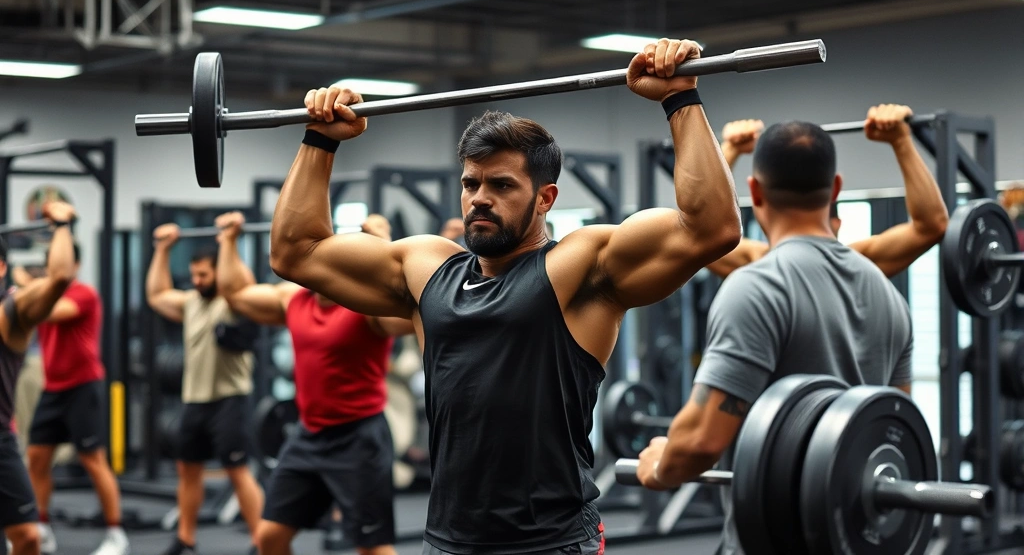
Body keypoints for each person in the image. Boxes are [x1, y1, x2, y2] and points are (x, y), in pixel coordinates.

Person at [269, 38, 741, 554]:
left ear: (545, 197)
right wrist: (320, 139)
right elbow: (296, 251)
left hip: (550, 543)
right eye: (471, 184)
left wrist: (679, 99)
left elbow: (710, 229)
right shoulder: (427, 268)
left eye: (501, 185)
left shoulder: (577, 267)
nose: (480, 199)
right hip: (448, 542)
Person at [633, 121, 914, 555]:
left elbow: (702, 442)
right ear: (835, 187)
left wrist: (658, 466)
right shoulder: (889, 297)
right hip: (854, 536)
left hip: (774, 537)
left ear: (755, 192)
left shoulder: (757, 286)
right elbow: (892, 425)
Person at [213, 211, 413, 555]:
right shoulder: (292, 300)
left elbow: (410, 302)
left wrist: (384, 240)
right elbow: (236, 293)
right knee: (269, 538)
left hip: (359, 439)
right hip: (308, 436)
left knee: (373, 548)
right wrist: (229, 241)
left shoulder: (366, 307)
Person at [708, 104, 949, 278]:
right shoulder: (856, 265)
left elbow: (702, 232)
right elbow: (930, 226)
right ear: (835, 189)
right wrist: (900, 141)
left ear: (756, 192)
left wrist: (729, 151)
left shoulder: (754, 263)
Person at [146, 228, 264, 555]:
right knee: (187, 470)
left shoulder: (232, 301)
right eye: (194, 274)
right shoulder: (190, 303)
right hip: (194, 401)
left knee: (237, 472)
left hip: (230, 400)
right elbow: (156, 295)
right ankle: (186, 537)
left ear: (218, 273)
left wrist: (228, 241)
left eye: (204, 274)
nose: (197, 280)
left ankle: (261, 540)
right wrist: (163, 249)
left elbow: (240, 283)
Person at [18, 243, 128, 555]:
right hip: (52, 388)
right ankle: (41, 528)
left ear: (74, 266)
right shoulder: (43, 293)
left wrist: (27, 285)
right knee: (37, 459)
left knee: (93, 460)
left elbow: (52, 312)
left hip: (83, 386)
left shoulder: (83, 294)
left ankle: (116, 534)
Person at [0, 202, 77, 555]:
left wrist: (61, 226)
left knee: (28, 537)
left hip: (1, 439)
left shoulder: (11, 310)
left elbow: (59, 277)